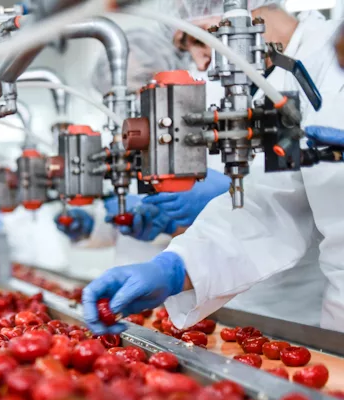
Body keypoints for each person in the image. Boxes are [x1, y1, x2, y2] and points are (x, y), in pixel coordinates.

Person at [83, 0, 344, 334]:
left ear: (243, 13)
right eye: (187, 45)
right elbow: (272, 204)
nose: (199, 60)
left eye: (199, 38)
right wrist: (177, 267)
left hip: (297, 298)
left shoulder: (332, 53)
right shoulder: (256, 84)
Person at [54, 28, 188, 265]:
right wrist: (91, 225)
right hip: (133, 275)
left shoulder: (189, 134)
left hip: (193, 280)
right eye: (112, 100)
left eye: (135, 92)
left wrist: (172, 223)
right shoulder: (119, 141)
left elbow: (227, 222)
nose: (124, 111)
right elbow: (119, 229)